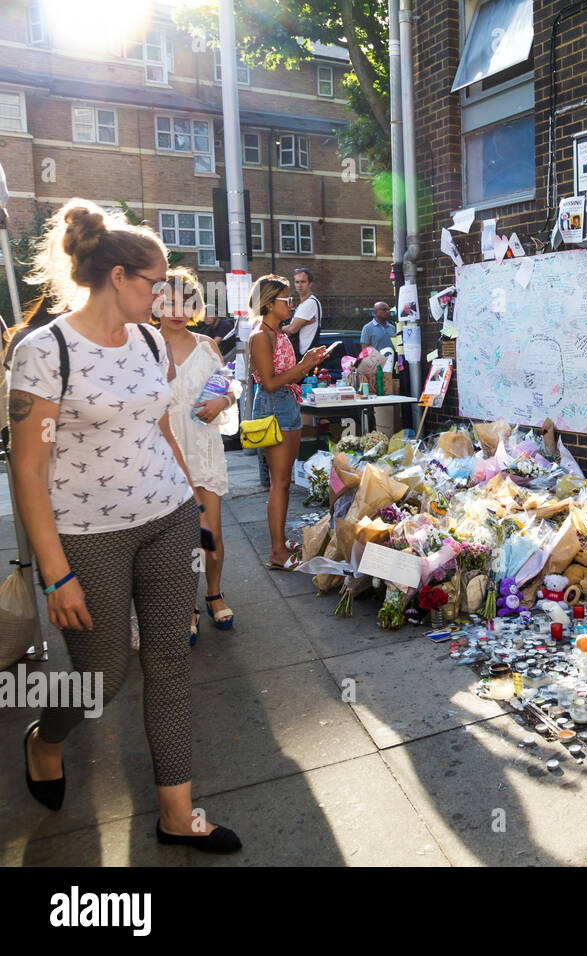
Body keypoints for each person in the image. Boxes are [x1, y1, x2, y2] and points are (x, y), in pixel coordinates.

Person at [10, 199, 240, 852]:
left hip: (166, 518)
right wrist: (56, 576)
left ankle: (176, 815)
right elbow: (28, 472)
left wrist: (192, 505)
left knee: (169, 663)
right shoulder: (43, 352)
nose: (166, 294)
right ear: (118, 278)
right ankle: (44, 739)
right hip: (88, 539)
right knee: (101, 679)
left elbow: (161, 423)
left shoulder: (146, 341)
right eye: (155, 282)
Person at [155, 268, 239, 640]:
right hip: (162, 453)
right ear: (155, 303)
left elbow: (229, 385)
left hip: (203, 448)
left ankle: (213, 593)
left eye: (185, 301)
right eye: (168, 300)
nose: (176, 309)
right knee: (175, 540)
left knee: (212, 533)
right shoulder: (144, 345)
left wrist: (222, 399)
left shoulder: (207, 345)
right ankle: (184, 605)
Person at [248, 275, 328, 571]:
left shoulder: (275, 332)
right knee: (279, 483)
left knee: (284, 480)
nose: (291, 304)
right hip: (274, 406)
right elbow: (268, 383)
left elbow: (284, 375)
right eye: (286, 299)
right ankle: (277, 552)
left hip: (286, 404)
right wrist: (304, 366)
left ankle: (280, 543)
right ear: (269, 304)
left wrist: (306, 363)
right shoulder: (260, 336)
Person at [283, 267, 322, 360]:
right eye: (297, 282)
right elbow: (291, 330)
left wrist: (281, 328)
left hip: (304, 356)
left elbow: (292, 329)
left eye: (303, 282)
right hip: (301, 355)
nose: (299, 285)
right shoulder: (303, 304)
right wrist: (302, 323)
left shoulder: (310, 303)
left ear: (310, 284)